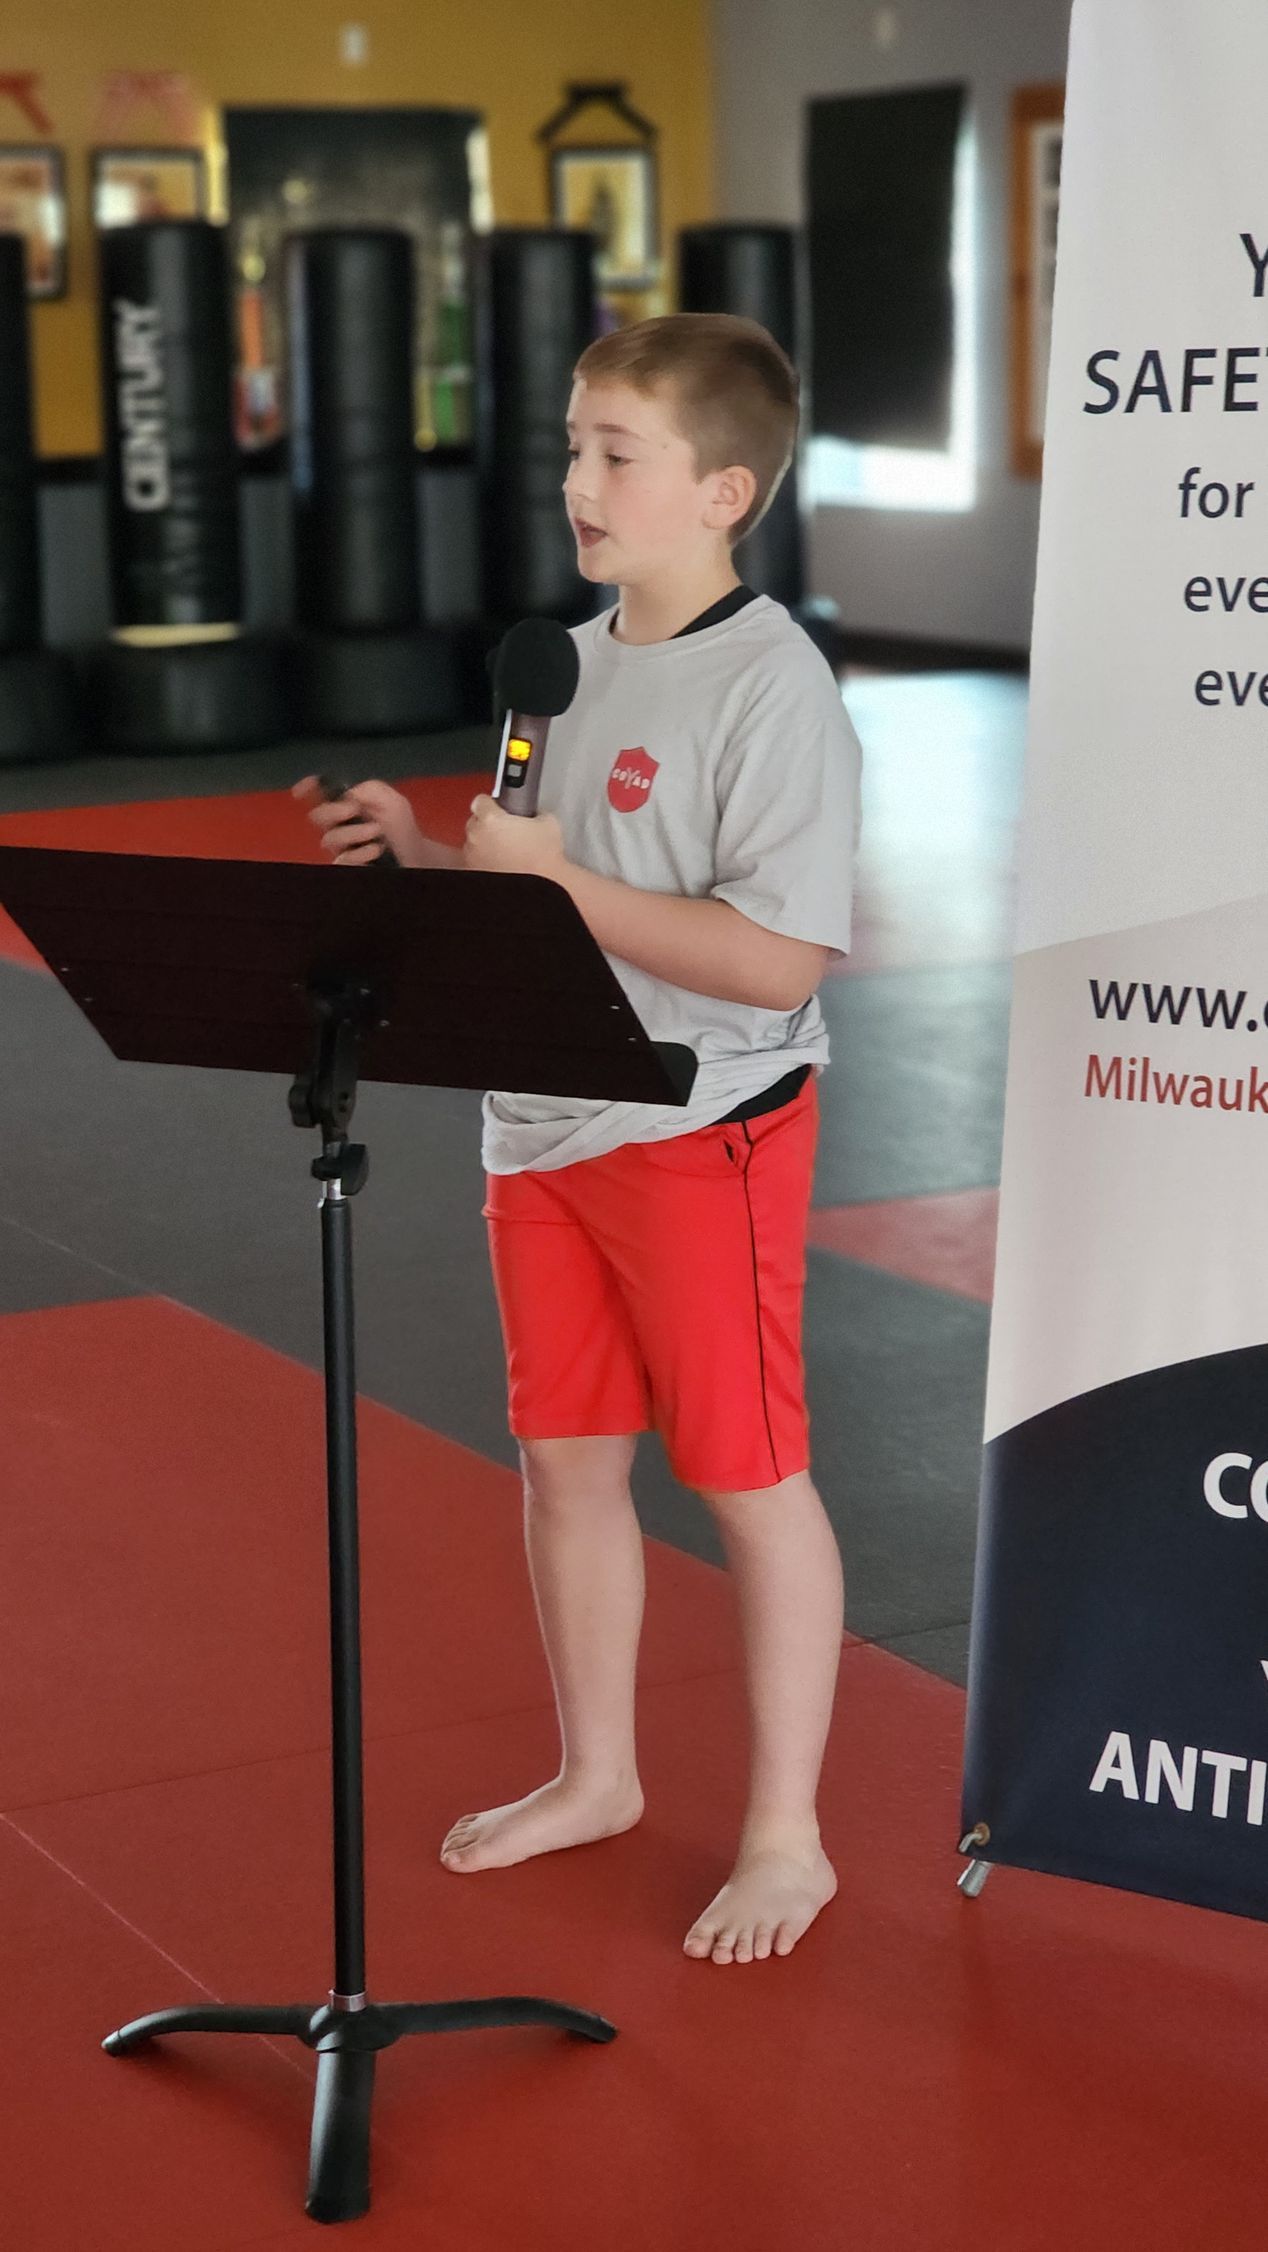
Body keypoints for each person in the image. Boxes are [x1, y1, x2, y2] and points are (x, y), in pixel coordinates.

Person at [295, 312, 862, 1966]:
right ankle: (599, 1774)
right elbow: (536, 893)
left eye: (617, 453)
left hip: (704, 1124)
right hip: (540, 1121)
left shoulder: (775, 690)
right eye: (571, 447)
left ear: (724, 491)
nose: (577, 482)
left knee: (747, 1479)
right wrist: (427, 859)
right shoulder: (558, 663)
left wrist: (557, 885)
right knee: (563, 1462)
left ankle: (789, 1837)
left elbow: (778, 960)